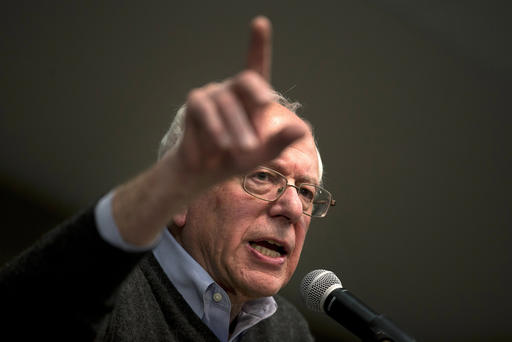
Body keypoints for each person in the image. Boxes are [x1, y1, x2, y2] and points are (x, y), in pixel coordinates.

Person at [0, 16, 335, 341]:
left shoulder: (288, 332)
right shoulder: (103, 291)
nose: (292, 206)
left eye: (306, 192)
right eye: (262, 176)